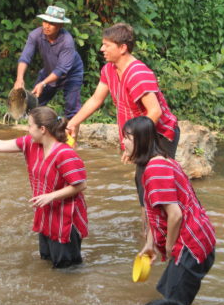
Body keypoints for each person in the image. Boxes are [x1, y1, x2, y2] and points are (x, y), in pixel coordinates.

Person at [66, 22, 179, 206]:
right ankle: (150, 229)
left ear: (123, 48)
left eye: (107, 45)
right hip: (140, 134)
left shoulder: (137, 73)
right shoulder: (109, 70)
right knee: (143, 183)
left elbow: (155, 112)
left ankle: (161, 229)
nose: (102, 49)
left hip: (159, 134)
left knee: (152, 185)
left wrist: (135, 142)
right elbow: (96, 99)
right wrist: (73, 123)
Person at [0, 106, 88, 268]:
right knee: (48, 264)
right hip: (46, 215)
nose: (27, 130)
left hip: (66, 220)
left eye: (29, 126)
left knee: (68, 270)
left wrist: (51, 196)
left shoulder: (65, 153)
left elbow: (81, 184)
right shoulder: (31, 144)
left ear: (42, 129)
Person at [123, 116, 216, 305]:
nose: (123, 142)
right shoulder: (162, 161)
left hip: (191, 243)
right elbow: (154, 213)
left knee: (173, 302)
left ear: (141, 141)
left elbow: (175, 214)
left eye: (128, 138)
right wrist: (150, 243)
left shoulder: (155, 169)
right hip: (198, 237)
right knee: (167, 293)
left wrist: (169, 246)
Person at [14, 5, 84, 118]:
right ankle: (33, 132)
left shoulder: (67, 41)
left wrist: (43, 83)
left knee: (72, 110)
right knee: (34, 105)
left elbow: (61, 69)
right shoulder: (35, 35)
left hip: (71, 73)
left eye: (52, 23)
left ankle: (71, 132)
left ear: (60, 25)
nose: (46, 26)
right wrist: (19, 78)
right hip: (49, 70)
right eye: (45, 21)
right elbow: (25, 57)